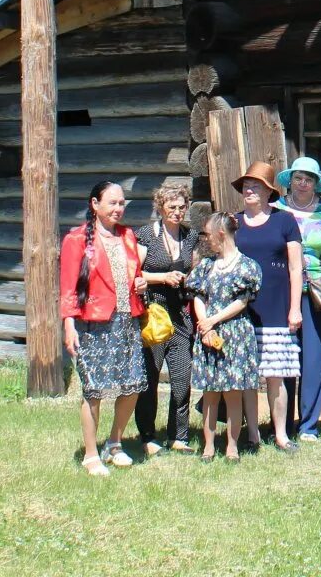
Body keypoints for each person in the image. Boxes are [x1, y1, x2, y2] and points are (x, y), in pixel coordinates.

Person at [58, 180, 149, 476]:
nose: (118, 209)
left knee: (133, 385)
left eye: (122, 203)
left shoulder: (128, 236)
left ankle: (114, 442)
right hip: (93, 323)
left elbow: (132, 274)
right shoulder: (76, 240)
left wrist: (140, 282)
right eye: (112, 203)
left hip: (127, 320)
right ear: (95, 205)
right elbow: (69, 287)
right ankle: (90, 454)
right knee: (94, 389)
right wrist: (69, 325)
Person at [233, 161, 303, 453]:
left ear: (268, 192)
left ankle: (281, 434)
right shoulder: (233, 222)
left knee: (277, 374)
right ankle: (252, 435)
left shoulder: (284, 221)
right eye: (246, 186)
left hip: (276, 307)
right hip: (242, 311)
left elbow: (296, 268)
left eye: (256, 186)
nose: (249, 190)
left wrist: (295, 308)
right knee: (248, 376)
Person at [276, 155, 321, 441]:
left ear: (317, 184)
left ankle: (308, 425)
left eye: (309, 179)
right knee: (283, 356)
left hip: (316, 291)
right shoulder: (276, 209)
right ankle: (282, 422)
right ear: (289, 180)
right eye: (298, 178)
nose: (303, 184)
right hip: (281, 289)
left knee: (314, 357)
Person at [189, 212, 262, 463]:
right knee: (210, 392)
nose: (206, 240)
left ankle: (232, 446)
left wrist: (214, 319)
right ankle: (208, 446)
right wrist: (205, 324)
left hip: (235, 333)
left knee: (233, 391)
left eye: (208, 234)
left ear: (221, 233)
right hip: (209, 333)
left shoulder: (247, 266)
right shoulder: (207, 266)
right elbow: (198, 295)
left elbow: (242, 301)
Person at [136, 182, 198, 455]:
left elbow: (195, 268)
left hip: (182, 314)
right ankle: (148, 435)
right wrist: (162, 277)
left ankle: (179, 435)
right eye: (171, 207)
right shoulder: (147, 235)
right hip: (154, 312)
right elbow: (135, 273)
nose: (177, 212)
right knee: (149, 378)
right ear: (160, 207)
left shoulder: (190, 235)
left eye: (182, 207)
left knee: (183, 378)